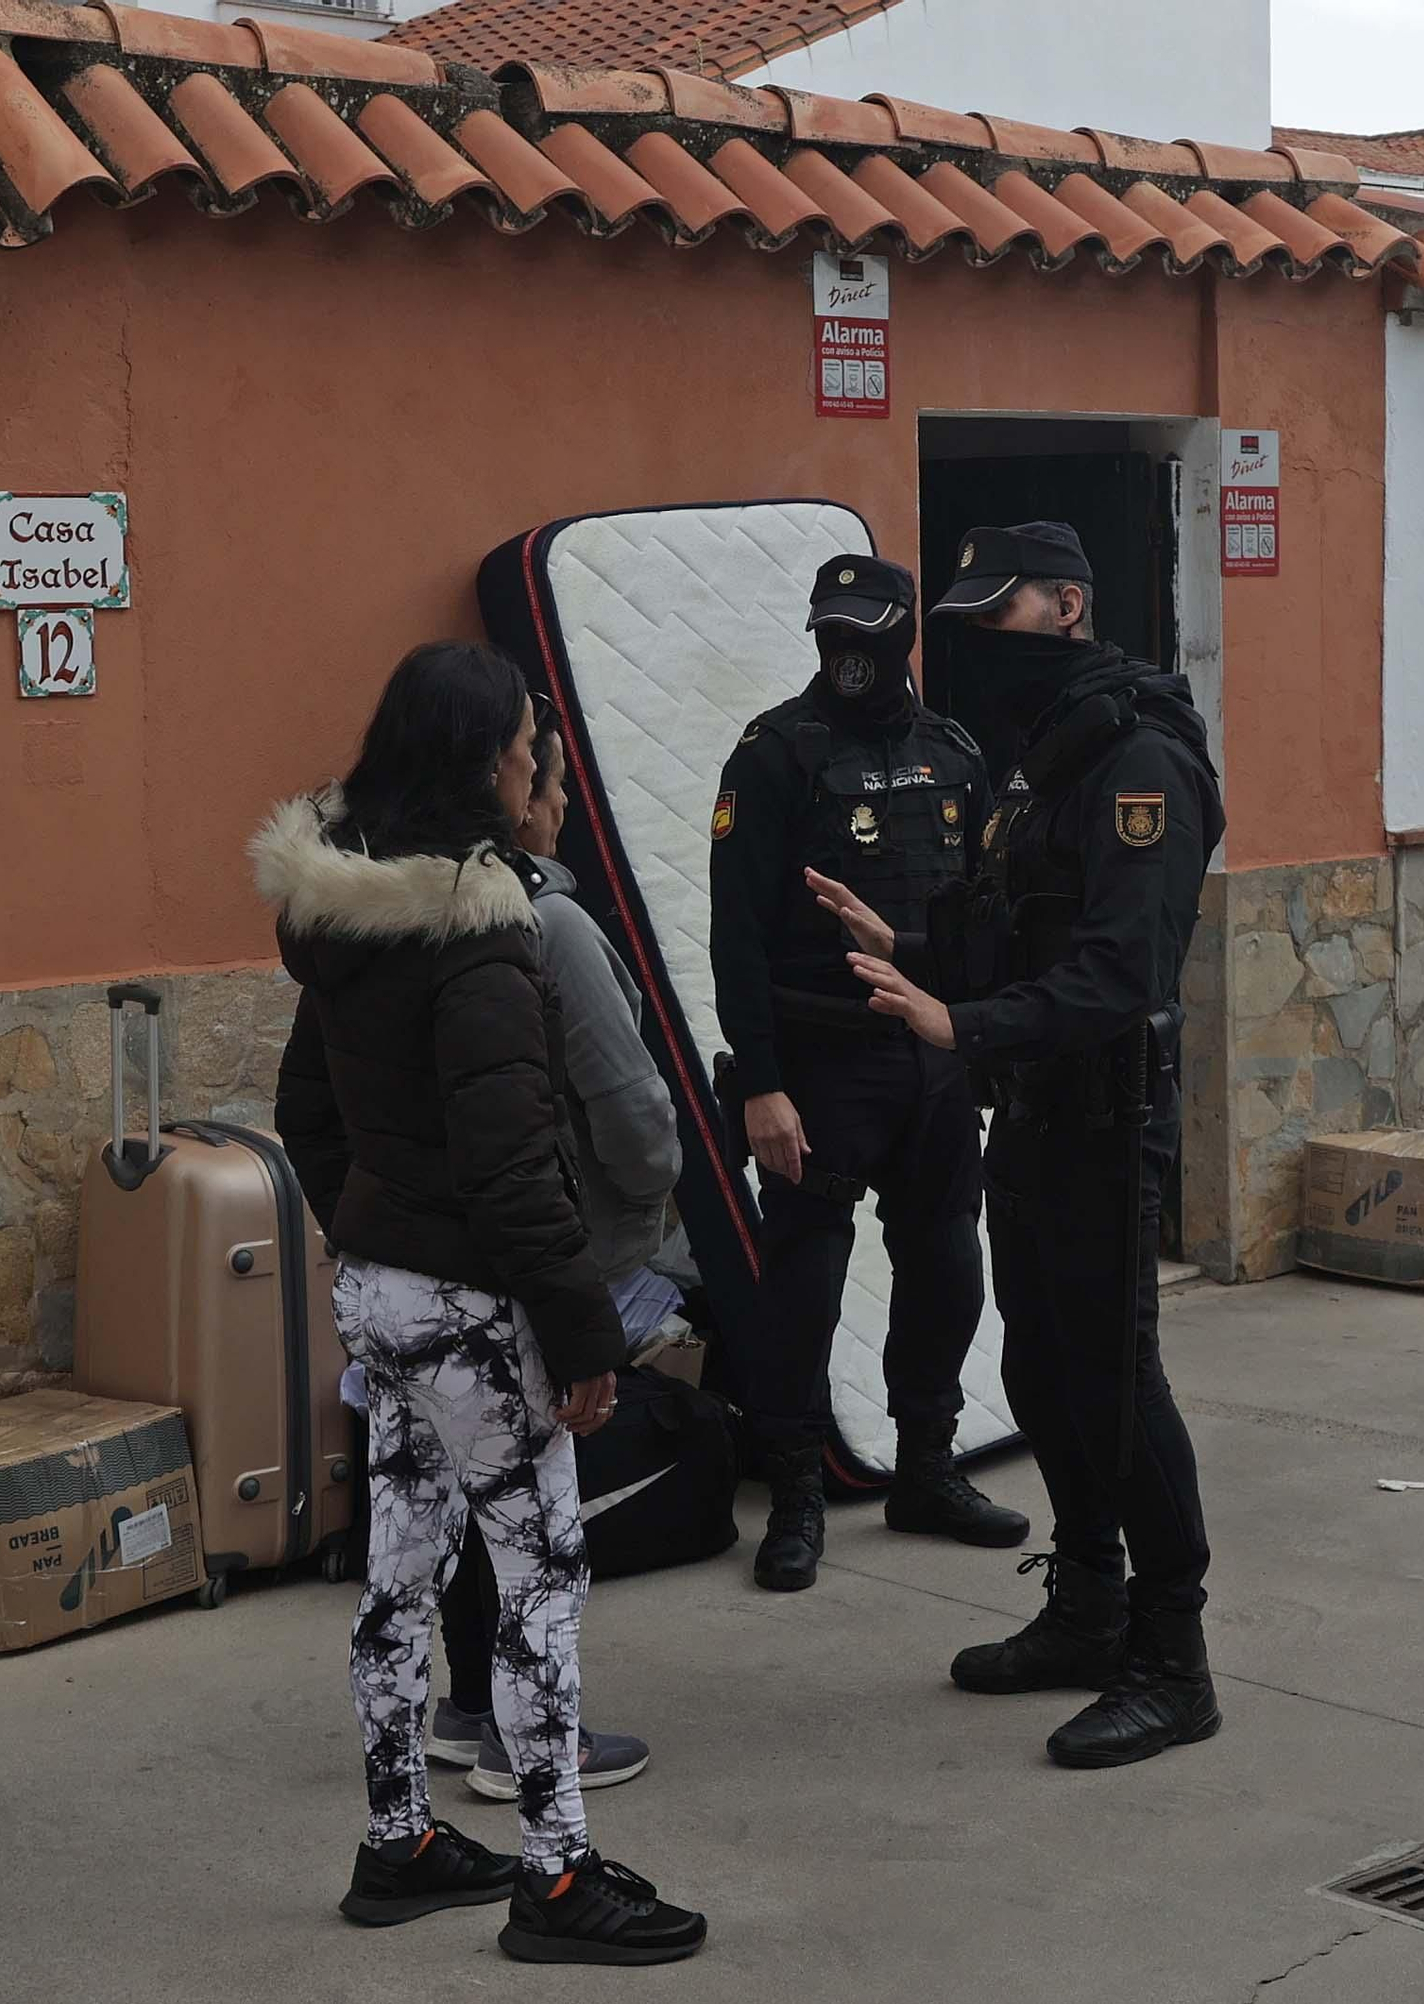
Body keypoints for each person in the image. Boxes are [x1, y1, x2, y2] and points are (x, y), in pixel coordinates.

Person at [253, 640, 705, 1965]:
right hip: (471, 1311)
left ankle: (398, 1841)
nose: (530, 767)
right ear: (476, 765)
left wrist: (370, 1230)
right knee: (541, 1575)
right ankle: (558, 1878)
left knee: (401, 1570)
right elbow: (514, 1163)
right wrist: (583, 1334)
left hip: (384, 1297)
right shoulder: (481, 929)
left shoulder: (347, 918)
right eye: (520, 748)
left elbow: (304, 1110)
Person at [816, 522, 1226, 1769]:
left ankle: (1174, 1659)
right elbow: (1012, 937)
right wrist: (905, 948)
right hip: (1036, 1113)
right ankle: (1090, 1606)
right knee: (1043, 1375)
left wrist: (964, 1023)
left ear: (1068, 604)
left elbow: (1122, 968)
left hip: (1107, 1115)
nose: (982, 642)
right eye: (969, 620)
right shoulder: (1048, 756)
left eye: (1000, 613)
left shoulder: (1138, 756)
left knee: (1113, 1384)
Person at [709, 554, 1029, 1594]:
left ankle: (925, 1469)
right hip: (818, 1059)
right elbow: (734, 938)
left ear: (903, 635)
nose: (847, 652)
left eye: (866, 631)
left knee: (945, 1264)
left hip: (929, 1058)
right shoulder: (773, 755)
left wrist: (978, 1040)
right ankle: (795, 1494)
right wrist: (762, 1082)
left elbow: (984, 918)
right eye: (831, 631)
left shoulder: (955, 753)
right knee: (804, 1279)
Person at [430, 699, 681, 1803]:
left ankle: (465, 1707)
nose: (563, 804)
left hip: (442, 1253)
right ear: (509, 787)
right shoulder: (552, 927)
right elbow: (630, 1108)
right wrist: (653, 1196)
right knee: (533, 1502)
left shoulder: (399, 911)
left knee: (458, 1487)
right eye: (551, 778)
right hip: (556, 1247)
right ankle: (525, 1741)